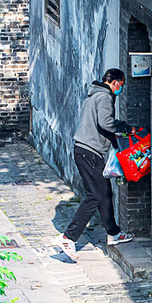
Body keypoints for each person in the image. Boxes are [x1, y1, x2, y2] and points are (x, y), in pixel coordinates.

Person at [52, 68, 136, 262]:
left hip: (85, 151)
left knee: (105, 192)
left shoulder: (93, 96)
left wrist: (114, 136)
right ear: (114, 82)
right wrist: (125, 128)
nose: (120, 89)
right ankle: (67, 237)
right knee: (95, 195)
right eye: (121, 85)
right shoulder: (105, 97)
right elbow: (106, 123)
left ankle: (114, 233)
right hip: (89, 152)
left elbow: (98, 126)